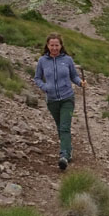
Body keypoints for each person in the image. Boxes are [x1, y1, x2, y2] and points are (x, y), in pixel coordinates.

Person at [33, 33, 86, 170]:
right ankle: (68, 149)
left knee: (64, 127)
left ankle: (64, 156)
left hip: (67, 98)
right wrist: (45, 87)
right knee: (60, 127)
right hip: (52, 100)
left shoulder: (67, 60)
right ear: (48, 46)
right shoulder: (42, 61)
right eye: (52, 45)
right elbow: (37, 78)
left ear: (61, 46)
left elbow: (73, 76)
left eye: (57, 45)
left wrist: (80, 82)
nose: (54, 47)